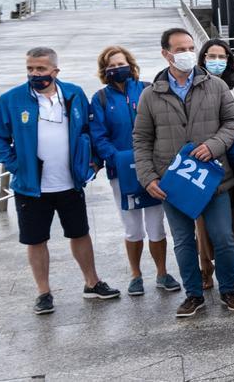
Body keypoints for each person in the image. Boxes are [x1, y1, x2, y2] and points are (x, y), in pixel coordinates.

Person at [0, 47, 120, 314]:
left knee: (80, 234)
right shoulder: (11, 100)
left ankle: (92, 283)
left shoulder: (73, 94)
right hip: (31, 187)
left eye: (41, 69)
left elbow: (88, 131)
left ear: (55, 71)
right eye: (30, 69)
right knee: (36, 240)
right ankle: (44, 292)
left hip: (70, 183)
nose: (35, 74)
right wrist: (16, 165)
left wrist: (93, 162)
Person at [133, 28, 234, 317]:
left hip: (212, 178)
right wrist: (148, 177)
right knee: (184, 240)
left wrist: (214, 145)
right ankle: (193, 293)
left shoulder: (215, 85)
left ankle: (228, 289)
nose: (186, 54)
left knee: (223, 237)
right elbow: (141, 139)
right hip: (174, 182)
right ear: (166, 53)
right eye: (180, 49)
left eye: (190, 48)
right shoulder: (150, 95)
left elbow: (233, 122)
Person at [90, 46, 182, 298]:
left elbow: (162, 123)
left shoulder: (147, 90)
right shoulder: (100, 99)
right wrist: (117, 158)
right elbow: (98, 135)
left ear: (130, 65)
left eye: (120, 63)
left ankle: (162, 273)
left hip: (153, 168)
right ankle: (136, 275)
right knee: (132, 227)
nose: (116, 69)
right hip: (121, 172)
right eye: (110, 66)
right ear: (104, 71)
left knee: (156, 225)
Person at [199, 39, 234, 288]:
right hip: (204, 156)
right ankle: (205, 265)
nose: (216, 61)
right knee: (201, 215)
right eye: (211, 56)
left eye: (221, 56)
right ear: (202, 58)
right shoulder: (193, 84)